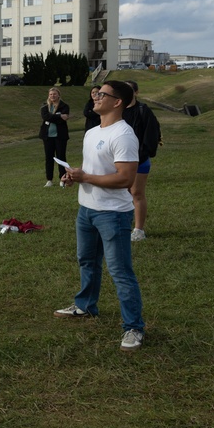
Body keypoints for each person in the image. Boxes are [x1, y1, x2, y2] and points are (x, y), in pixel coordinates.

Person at [57, 80, 145, 352]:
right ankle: (85, 306)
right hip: (87, 210)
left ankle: (133, 327)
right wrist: (75, 176)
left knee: (120, 271)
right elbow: (93, 168)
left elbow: (125, 179)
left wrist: (88, 177)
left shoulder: (124, 135)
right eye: (96, 93)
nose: (95, 96)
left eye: (102, 94)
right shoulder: (92, 132)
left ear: (117, 102)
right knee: (87, 260)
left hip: (113, 215)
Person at [122, 80, 162, 242]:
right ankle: (123, 225)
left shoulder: (143, 110)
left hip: (139, 160)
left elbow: (152, 135)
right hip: (119, 161)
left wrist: (142, 154)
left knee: (136, 193)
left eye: (129, 90)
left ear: (136, 92)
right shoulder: (116, 110)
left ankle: (139, 229)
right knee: (122, 194)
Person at [38, 87, 70, 187]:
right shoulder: (44, 106)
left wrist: (55, 117)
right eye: (51, 94)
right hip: (47, 136)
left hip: (60, 136)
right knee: (49, 158)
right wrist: (59, 116)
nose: (52, 96)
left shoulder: (64, 106)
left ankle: (62, 178)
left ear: (58, 95)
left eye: (54, 94)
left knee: (61, 157)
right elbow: (46, 117)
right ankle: (49, 179)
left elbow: (62, 120)